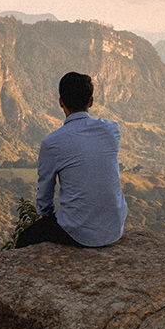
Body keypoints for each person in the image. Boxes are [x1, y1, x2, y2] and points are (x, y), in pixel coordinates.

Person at [15, 71, 127, 249]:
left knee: (24, 240)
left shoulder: (52, 143)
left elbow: (44, 196)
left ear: (61, 102)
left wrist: (46, 216)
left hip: (79, 232)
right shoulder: (112, 130)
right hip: (114, 227)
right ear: (91, 101)